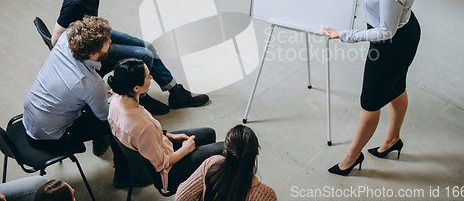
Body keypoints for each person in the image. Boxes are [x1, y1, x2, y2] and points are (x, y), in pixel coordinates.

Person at [322, 0, 421, 175]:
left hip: (391, 44)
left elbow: (385, 31)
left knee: (370, 102)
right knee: (396, 87)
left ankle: (351, 157)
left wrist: (344, 34)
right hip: (404, 33)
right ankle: (392, 140)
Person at [51, 0, 209, 115]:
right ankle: (141, 98)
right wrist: (89, 55)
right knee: (144, 55)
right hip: (92, 47)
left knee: (147, 46)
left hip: (99, 34)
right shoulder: (73, 3)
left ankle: (175, 91)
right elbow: (55, 40)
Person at [22, 16, 136, 187]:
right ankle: (123, 174)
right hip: (49, 136)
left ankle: (100, 142)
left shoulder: (65, 38)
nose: (110, 42)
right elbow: (105, 115)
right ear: (93, 54)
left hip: (30, 116)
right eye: (107, 42)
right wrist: (117, 97)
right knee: (114, 123)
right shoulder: (90, 82)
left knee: (88, 102)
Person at [107, 58, 224, 193]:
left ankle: (204, 177)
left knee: (209, 133)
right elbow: (161, 164)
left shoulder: (115, 101)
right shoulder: (142, 126)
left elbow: (144, 139)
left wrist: (168, 135)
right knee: (226, 149)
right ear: (136, 87)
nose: (151, 77)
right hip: (168, 173)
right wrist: (184, 149)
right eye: (147, 76)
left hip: (159, 146)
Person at [175, 125, 277, 201]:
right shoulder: (266, 195)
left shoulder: (212, 164)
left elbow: (181, 197)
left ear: (225, 150)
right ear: (257, 152)